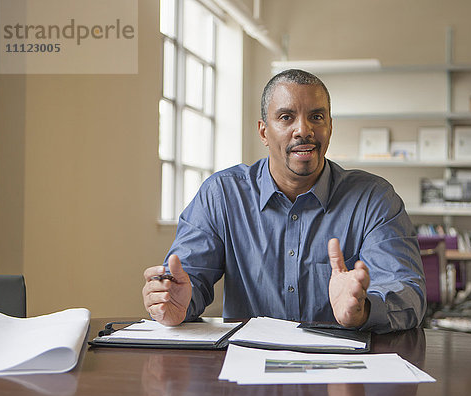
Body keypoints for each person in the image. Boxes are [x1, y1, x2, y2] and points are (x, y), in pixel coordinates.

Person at [142, 69, 425, 334]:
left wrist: (363, 311)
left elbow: (407, 292)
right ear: (264, 132)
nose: (303, 130)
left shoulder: (374, 198)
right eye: (287, 117)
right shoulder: (222, 195)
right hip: (247, 368)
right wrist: (175, 301)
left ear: (329, 126)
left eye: (316, 117)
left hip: (340, 369)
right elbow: (188, 280)